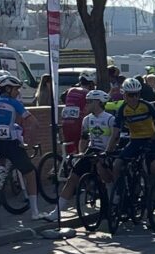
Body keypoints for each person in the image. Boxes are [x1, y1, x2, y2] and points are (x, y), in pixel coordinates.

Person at [42, 89, 116, 221]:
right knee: (72, 178)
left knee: (102, 169)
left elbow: (115, 138)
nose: (86, 104)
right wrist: (81, 152)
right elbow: (84, 138)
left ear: (98, 102)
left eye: (89, 102)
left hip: (106, 151)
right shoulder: (87, 119)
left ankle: (113, 198)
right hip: (92, 150)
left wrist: (107, 153)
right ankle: (57, 211)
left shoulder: (110, 119)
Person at [0, 73, 41, 219]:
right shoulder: (14, 103)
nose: (18, 92)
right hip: (11, 143)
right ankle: (35, 212)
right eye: (15, 89)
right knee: (30, 173)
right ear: (7, 89)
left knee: (0, 161)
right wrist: (30, 142)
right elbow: (34, 123)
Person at [60, 71, 96, 155]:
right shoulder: (88, 94)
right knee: (81, 146)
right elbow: (91, 109)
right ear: (91, 83)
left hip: (66, 122)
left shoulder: (71, 90)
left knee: (70, 147)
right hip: (78, 123)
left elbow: (63, 98)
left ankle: (67, 164)